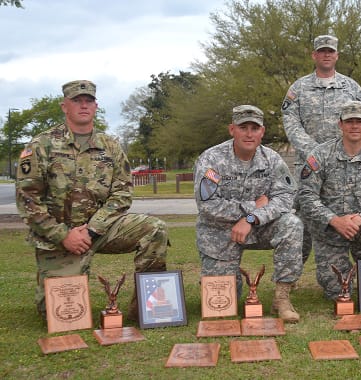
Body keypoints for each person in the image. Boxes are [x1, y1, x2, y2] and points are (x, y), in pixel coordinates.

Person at [15, 80, 169, 319]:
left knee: (154, 229)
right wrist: (63, 235)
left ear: (96, 106)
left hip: (102, 229)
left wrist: (93, 229)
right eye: (77, 101)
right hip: (61, 236)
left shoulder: (110, 146)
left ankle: (147, 310)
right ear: (64, 106)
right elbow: (28, 199)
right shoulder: (41, 145)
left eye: (89, 101)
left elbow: (122, 192)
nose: (84, 105)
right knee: (58, 315)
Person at [194, 105, 303, 323]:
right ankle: (228, 282)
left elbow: (285, 199)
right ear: (232, 129)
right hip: (219, 232)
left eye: (255, 128)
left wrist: (252, 218)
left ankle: (282, 298)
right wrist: (253, 205)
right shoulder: (211, 159)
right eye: (244, 127)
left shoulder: (272, 160)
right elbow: (207, 204)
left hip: (259, 226)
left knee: (292, 224)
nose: (249, 133)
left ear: (262, 132)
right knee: (222, 307)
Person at [297, 101, 361, 300]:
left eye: (359, 121)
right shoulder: (320, 155)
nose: (354, 126)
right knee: (338, 293)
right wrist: (335, 221)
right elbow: (306, 197)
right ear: (340, 125)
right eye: (349, 121)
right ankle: (344, 282)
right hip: (329, 231)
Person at [281, 34, 361, 264]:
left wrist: (348, 151)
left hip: (345, 165)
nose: (326, 55)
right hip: (308, 164)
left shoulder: (352, 88)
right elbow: (290, 122)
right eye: (322, 51)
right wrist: (313, 151)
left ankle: (358, 270)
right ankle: (292, 275)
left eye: (330, 51)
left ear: (337, 55)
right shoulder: (298, 88)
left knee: (346, 212)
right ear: (314, 55)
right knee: (302, 217)